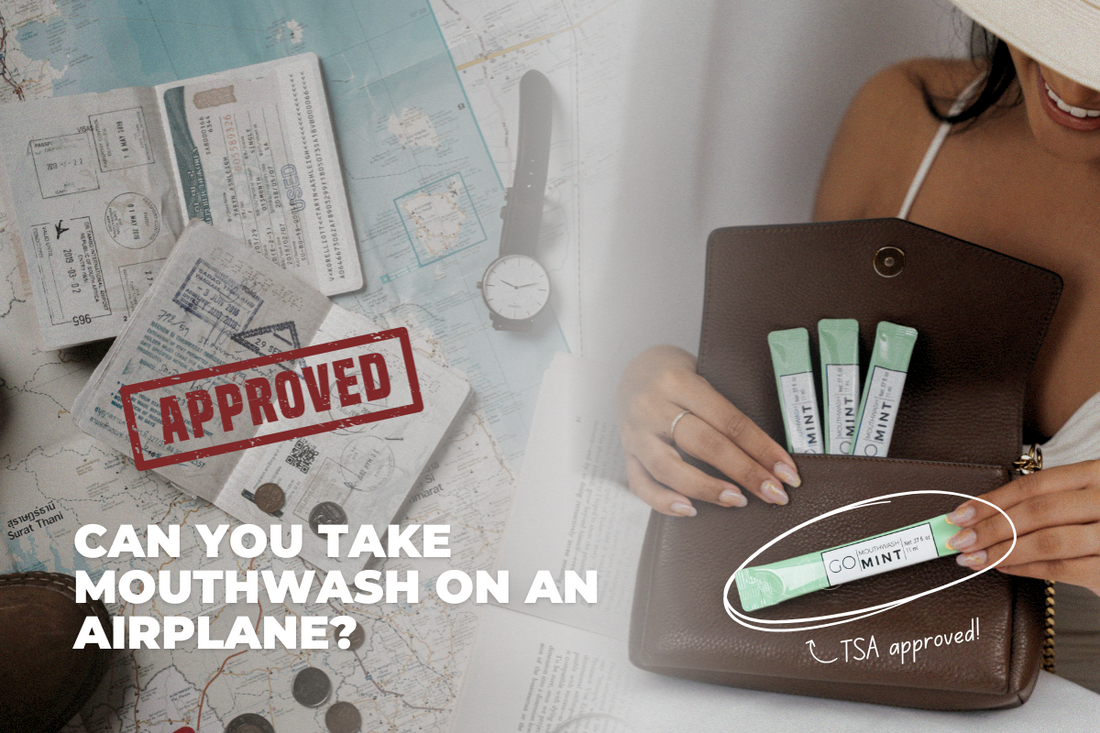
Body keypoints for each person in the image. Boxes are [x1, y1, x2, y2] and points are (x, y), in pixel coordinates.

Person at [617, 0, 1100, 692]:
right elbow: (800, 410)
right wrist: (650, 389)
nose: (1077, 89)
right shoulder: (902, 123)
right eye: (1068, 31)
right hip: (811, 678)